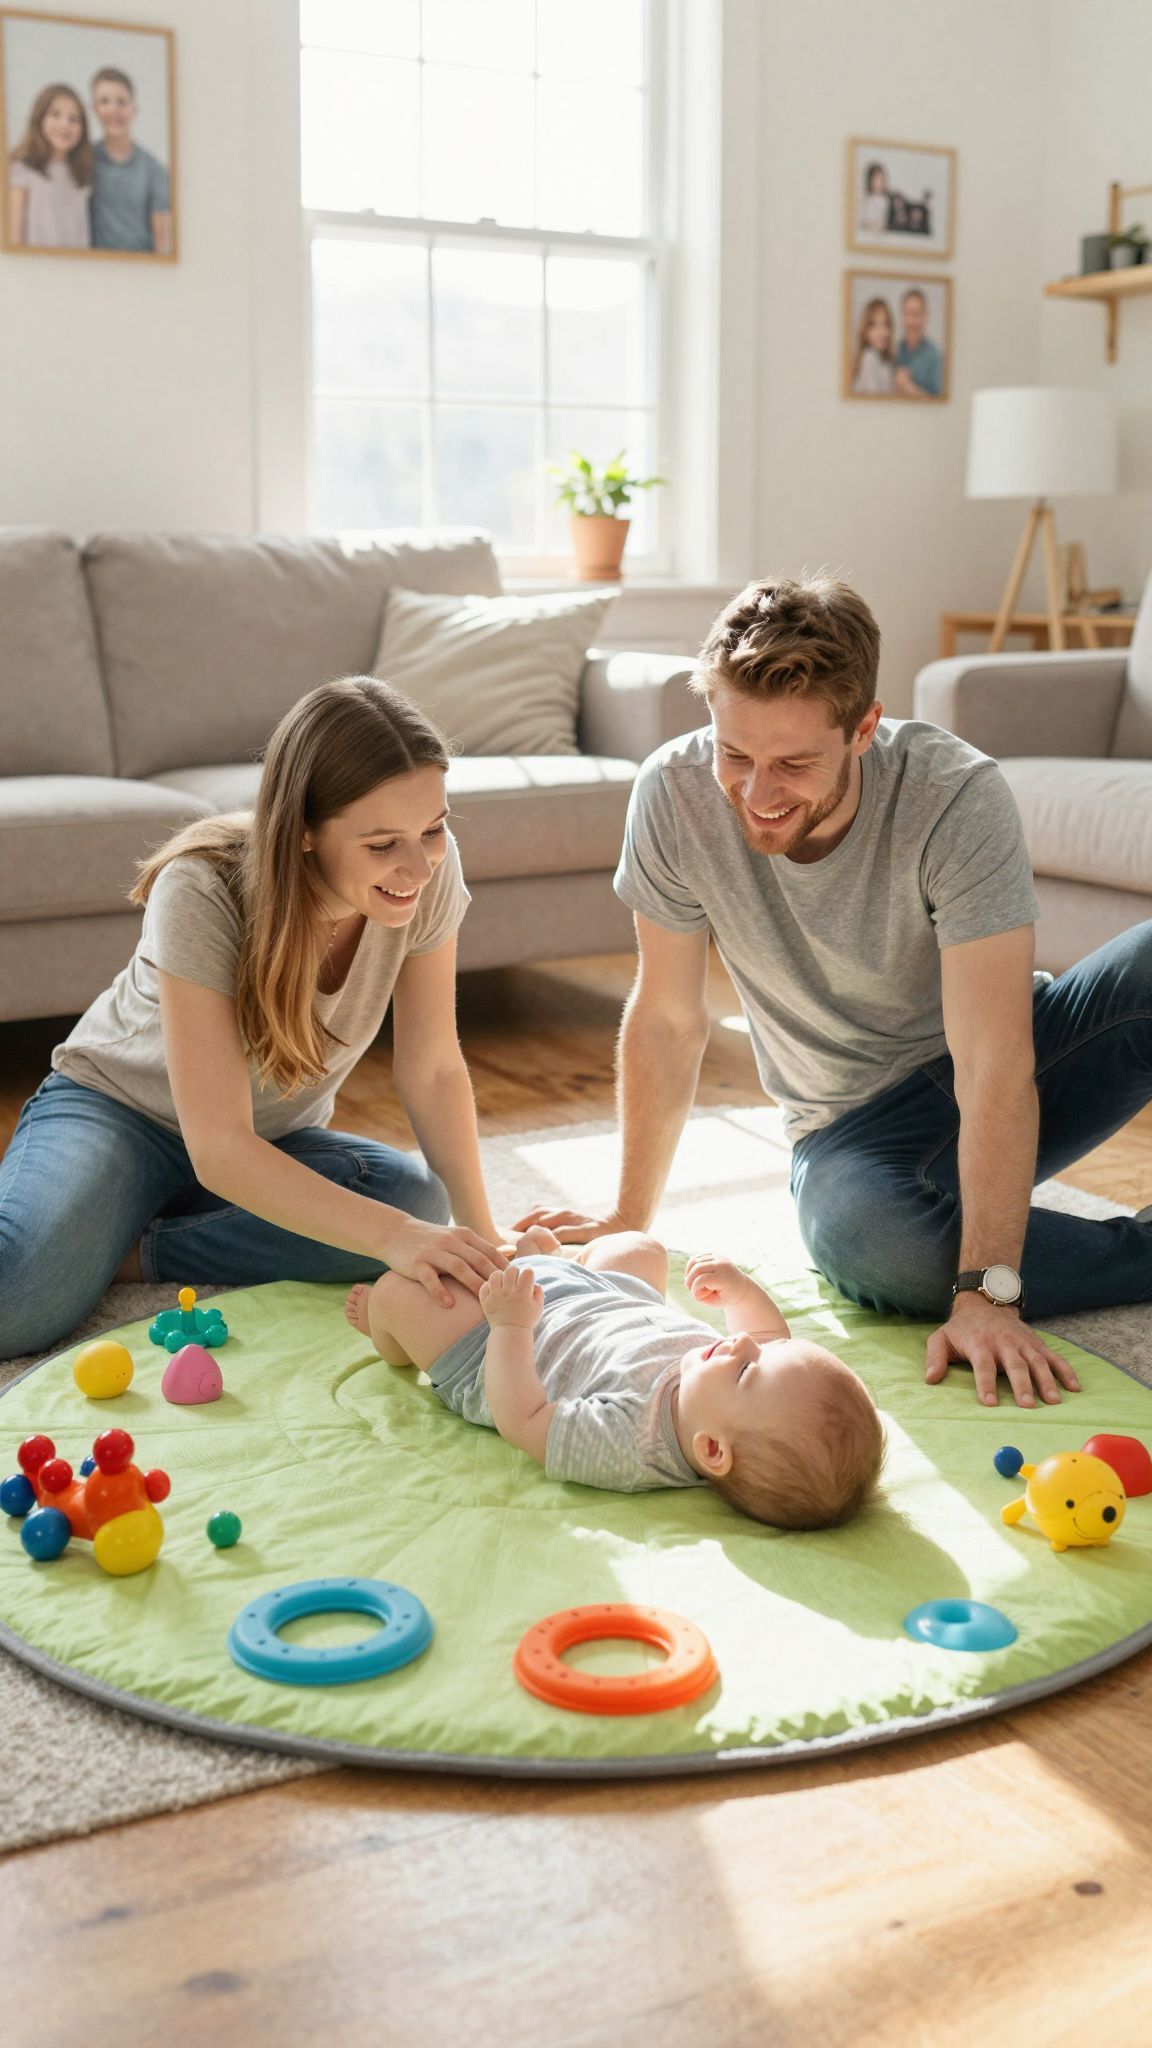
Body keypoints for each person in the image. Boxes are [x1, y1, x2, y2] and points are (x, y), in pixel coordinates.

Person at [515, 577, 1152, 1411]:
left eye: (793, 764)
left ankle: (988, 1255)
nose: (757, 792)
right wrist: (629, 1218)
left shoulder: (953, 794)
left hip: (1004, 1052)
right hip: (852, 1131)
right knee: (871, 1248)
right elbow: (669, 1021)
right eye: (735, 754)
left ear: (863, 730)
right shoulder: (672, 796)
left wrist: (989, 1295)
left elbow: (995, 1059)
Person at [0, 677, 508, 1360]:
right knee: (18, 1302)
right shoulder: (203, 886)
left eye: (434, 828)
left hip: (266, 1141)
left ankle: (129, 1248)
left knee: (417, 1204)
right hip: (120, 1113)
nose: (418, 865)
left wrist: (485, 1244)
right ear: (302, 832)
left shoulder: (425, 876)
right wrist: (390, 1239)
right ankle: (89, 1238)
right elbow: (218, 1146)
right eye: (383, 843)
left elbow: (435, 1068)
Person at [345, 1225, 884, 1528]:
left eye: (746, 1369)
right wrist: (740, 1294)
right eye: (766, 1352)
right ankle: (551, 1263)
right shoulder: (727, 1385)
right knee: (641, 1249)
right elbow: (768, 1337)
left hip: (494, 1343)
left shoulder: (628, 1446)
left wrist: (510, 1326)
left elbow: (522, 1418)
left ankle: (384, 1331)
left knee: (400, 1290)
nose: (743, 1343)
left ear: (713, 1450)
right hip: (604, 1298)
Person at [88, 66, 171, 254]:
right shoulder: (85, 160)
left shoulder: (154, 170)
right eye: (104, 101)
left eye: (121, 102)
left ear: (134, 109)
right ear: (94, 109)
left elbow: (162, 243)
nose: (113, 109)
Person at [6, 83, 92, 249]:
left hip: (76, 269)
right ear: (39, 119)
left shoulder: (81, 173)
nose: (65, 124)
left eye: (74, 119)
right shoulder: (22, 169)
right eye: (55, 115)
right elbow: (14, 236)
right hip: (35, 268)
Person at [893, 287, 942, 398]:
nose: (911, 321)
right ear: (902, 317)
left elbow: (940, 406)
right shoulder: (895, 350)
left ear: (925, 317)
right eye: (907, 314)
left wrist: (908, 387)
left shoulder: (935, 356)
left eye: (916, 314)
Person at [851, 296, 895, 395]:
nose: (882, 332)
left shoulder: (885, 361)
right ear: (865, 330)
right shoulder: (869, 357)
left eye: (886, 324)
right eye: (875, 326)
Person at [859, 162, 889, 236]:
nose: (880, 181)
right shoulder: (866, 199)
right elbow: (864, 221)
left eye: (882, 177)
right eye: (877, 178)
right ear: (870, 180)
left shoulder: (886, 200)